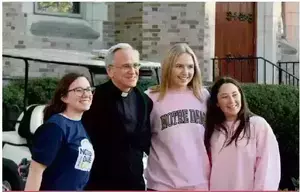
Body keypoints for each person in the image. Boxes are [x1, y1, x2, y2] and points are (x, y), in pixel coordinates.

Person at [82, 43, 153, 190]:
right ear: (110, 71)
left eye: (136, 65)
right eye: (126, 66)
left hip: (135, 184)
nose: (133, 71)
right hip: (101, 184)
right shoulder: (93, 100)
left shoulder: (144, 100)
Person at [144, 43, 211, 190]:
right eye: (179, 66)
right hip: (162, 184)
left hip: (199, 182)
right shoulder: (151, 98)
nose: (185, 72)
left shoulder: (203, 96)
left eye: (190, 66)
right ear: (168, 67)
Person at [204, 76, 281, 190]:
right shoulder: (214, 130)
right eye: (225, 97)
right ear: (217, 103)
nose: (231, 101)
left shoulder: (257, 125)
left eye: (235, 94)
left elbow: (267, 166)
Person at [24, 73, 95, 191]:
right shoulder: (55, 127)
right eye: (79, 90)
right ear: (64, 97)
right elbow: (35, 172)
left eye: (88, 89)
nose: (86, 94)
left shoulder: (80, 125)